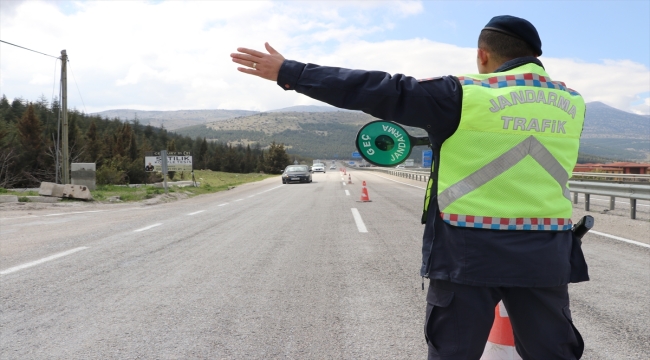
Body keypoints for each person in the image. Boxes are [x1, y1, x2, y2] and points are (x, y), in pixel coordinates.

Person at [231, 15, 588, 360]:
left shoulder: (463, 93)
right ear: (535, 57)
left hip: (467, 251)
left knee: (453, 352)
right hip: (546, 252)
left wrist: (291, 72)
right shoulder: (573, 103)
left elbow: (380, 90)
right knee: (553, 352)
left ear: (483, 54)